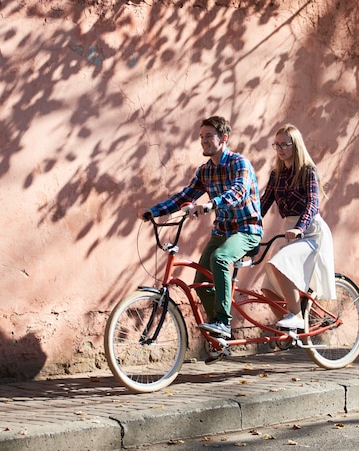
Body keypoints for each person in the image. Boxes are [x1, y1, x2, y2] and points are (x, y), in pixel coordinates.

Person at [139, 116, 263, 339]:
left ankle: (223, 323)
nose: (203, 141)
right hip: (222, 231)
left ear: (223, 138)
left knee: (220, 258)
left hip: (247, 229)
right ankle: (219, 337)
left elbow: (238, 191)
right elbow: (184, 196)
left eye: (209, 137)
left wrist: (210, 204)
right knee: (201, 284)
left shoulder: (239, 163)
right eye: (201, 137)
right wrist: (154, 212)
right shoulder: (205, 171)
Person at [260, 123, 336, 330]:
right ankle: (290, 326)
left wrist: (300, 227)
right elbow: (264, 203)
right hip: (290, 230)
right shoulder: (276, 175)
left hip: (310, 230)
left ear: (296, 145)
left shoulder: (308, 171)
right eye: (277, 145)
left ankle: (296, 316)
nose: (281, 149)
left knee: (280, 264)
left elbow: (313, 204)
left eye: (286, 144)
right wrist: (247, 223)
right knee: (267, 288)